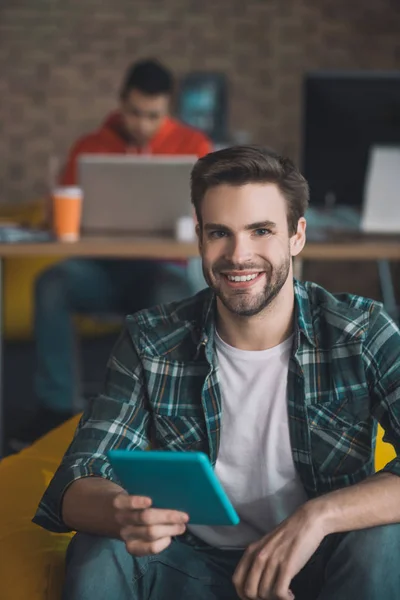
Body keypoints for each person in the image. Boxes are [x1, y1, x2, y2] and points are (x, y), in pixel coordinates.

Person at [34, 145, 400, 600]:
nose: (238, 255)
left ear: (297, 236)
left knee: (386, 541)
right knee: (99, 546)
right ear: (200, 238)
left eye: (261, 230)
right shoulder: (152, 338)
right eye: (219, 233)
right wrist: (122, 512)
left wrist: (318, 517)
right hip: (187, 566)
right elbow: (77, 477)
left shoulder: (360, 331)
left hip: (318, 560)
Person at [23, 59, 212, 444]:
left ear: (169, 109)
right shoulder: (90, 146)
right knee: (52, 283)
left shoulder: (194, 146)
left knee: (173, 294)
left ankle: (166, 414)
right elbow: (63, 212)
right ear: (121, 103)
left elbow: (211, 213)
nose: (142, 124)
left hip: (163, 270)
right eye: (134, 113)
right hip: (103, 270)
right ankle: (57, 408)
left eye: (153, 116)